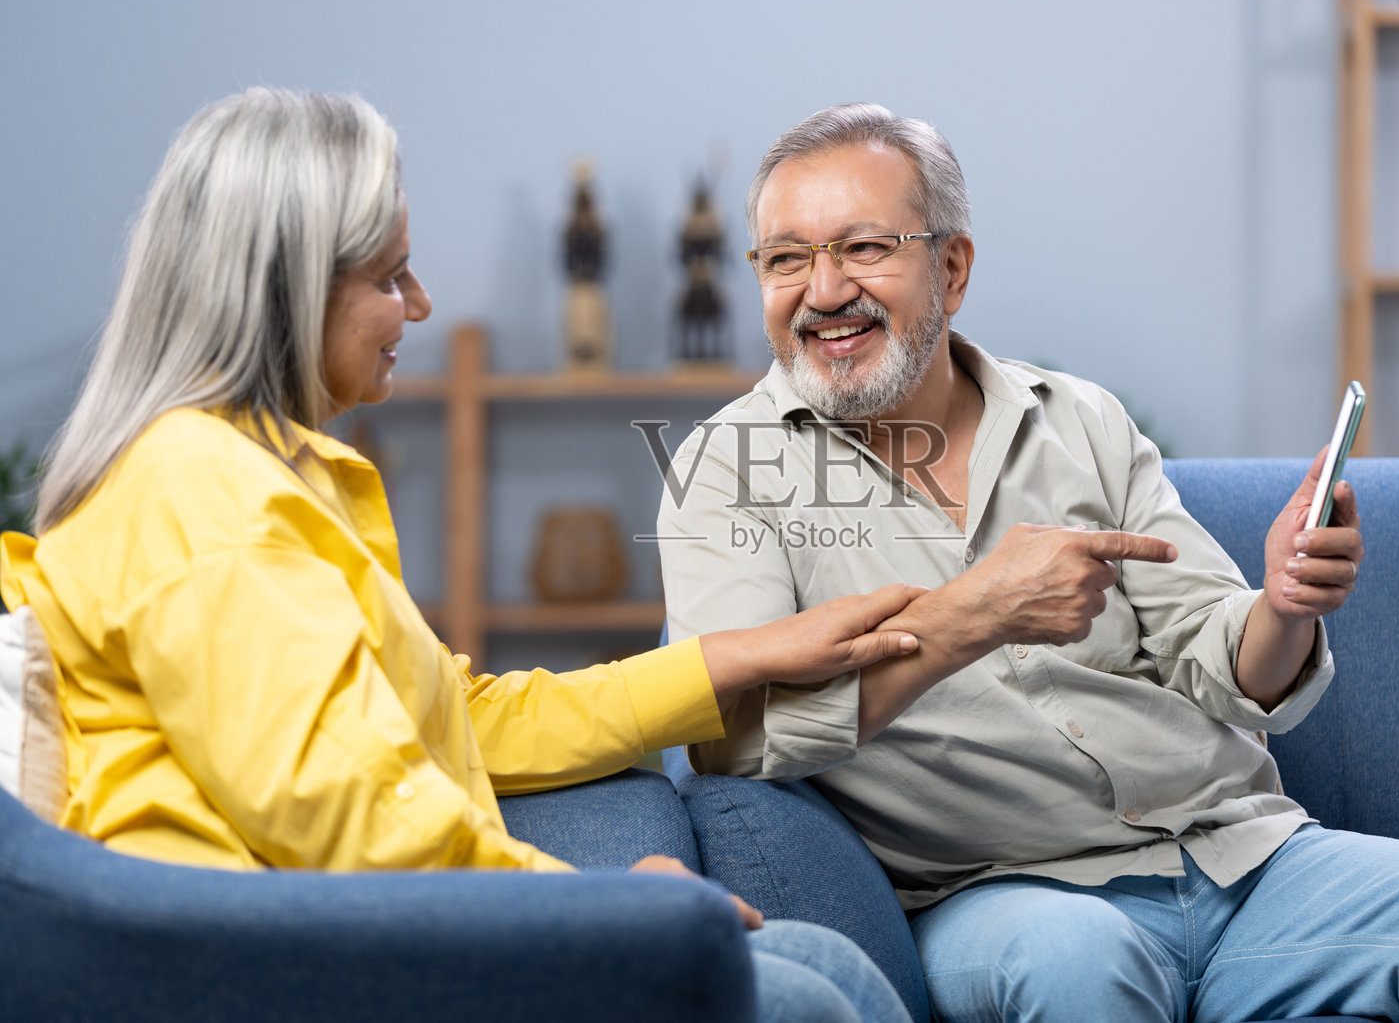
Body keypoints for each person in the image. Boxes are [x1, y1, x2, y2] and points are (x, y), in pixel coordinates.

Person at [0, 88, 915, 1023]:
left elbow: (455, 720)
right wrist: (604, 911)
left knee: (818, 965)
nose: (422, 303)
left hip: (322, 925)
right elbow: (353, 820)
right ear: (290, 288)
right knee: (799, 995)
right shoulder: (204, 498)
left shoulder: (267, 476)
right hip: (265, 963)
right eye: (392, 277)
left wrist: (746, 655)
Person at [657, 102, 1399, 1022]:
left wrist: (1287, 604)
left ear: (951, 266)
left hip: (1241, 862)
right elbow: (730, 737)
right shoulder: (725, 473)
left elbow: (1221, 656)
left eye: (863, 248)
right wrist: (978, 612)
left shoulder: (1080, 419)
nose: (823, 290)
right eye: (787, 258)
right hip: (1008, 896)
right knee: (1079, 963)